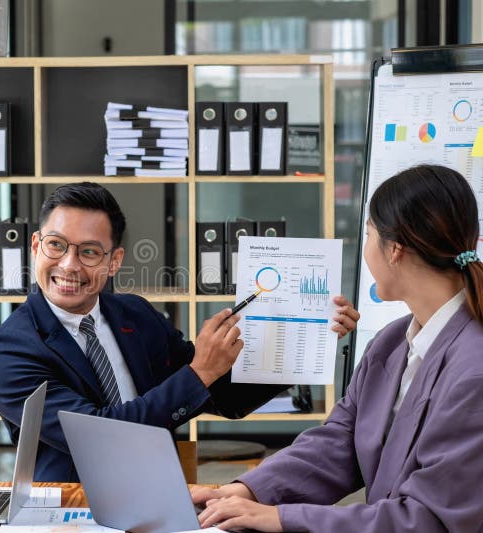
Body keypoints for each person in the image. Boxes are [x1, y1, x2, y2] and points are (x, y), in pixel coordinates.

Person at [0, 182, 359, 481]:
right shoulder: (7, 353)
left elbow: (222, 397)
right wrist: (202, 371)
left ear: (114, 262)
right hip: (74, 508)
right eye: (56, 246)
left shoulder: (134, 315)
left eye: (90, 252)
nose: (70, 265)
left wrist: (309, 341)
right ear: (35, 246)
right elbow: (103, 435)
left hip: (164, 490)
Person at [193, 164, 483, 532]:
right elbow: (338, 443)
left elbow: (427, 519)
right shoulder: (392, 343)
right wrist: (244, 491)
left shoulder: (474, 371)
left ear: (394, 250)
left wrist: (282, 517)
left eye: (368, 234)